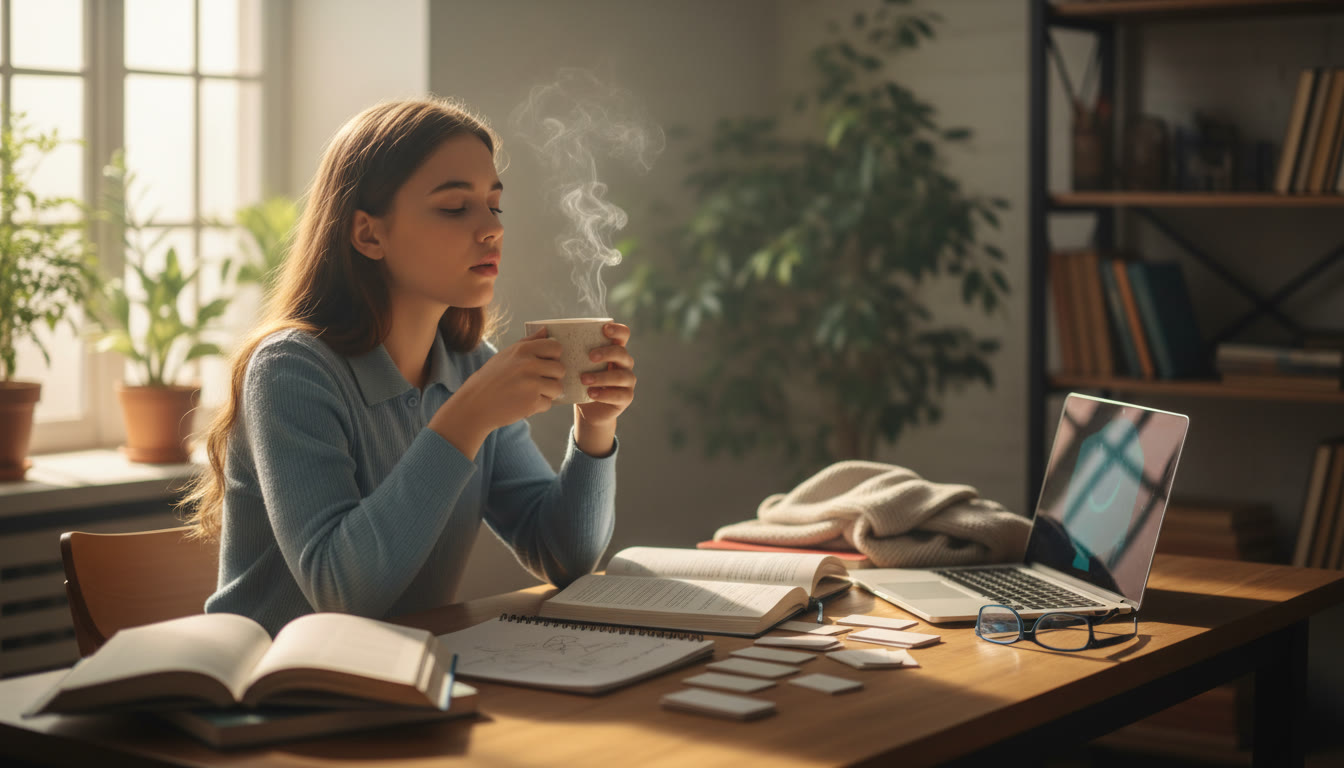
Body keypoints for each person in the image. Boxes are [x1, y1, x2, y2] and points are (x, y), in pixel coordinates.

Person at [179, 97, 634, 635]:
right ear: (369, 234)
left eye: (494, 205)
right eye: (454, 207)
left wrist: (594, 429)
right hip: (273, 689)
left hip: (400, 678)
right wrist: (464, 420)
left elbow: (563, 557)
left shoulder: (468, 366)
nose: (492, 228)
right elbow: (342, 595)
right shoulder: (289, 372)